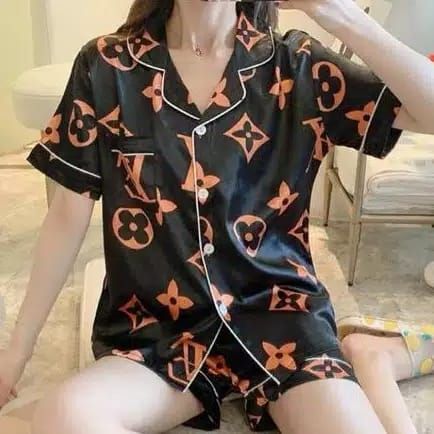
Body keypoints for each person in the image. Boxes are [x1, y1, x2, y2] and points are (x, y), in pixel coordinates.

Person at [1, 1, 433, 433]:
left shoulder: (298, 65)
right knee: (65, 417)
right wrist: (16, 354)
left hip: (282, 320)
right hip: (157, 330)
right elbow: (66, 216)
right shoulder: (107, 66)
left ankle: (373, 357)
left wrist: (332, 11)